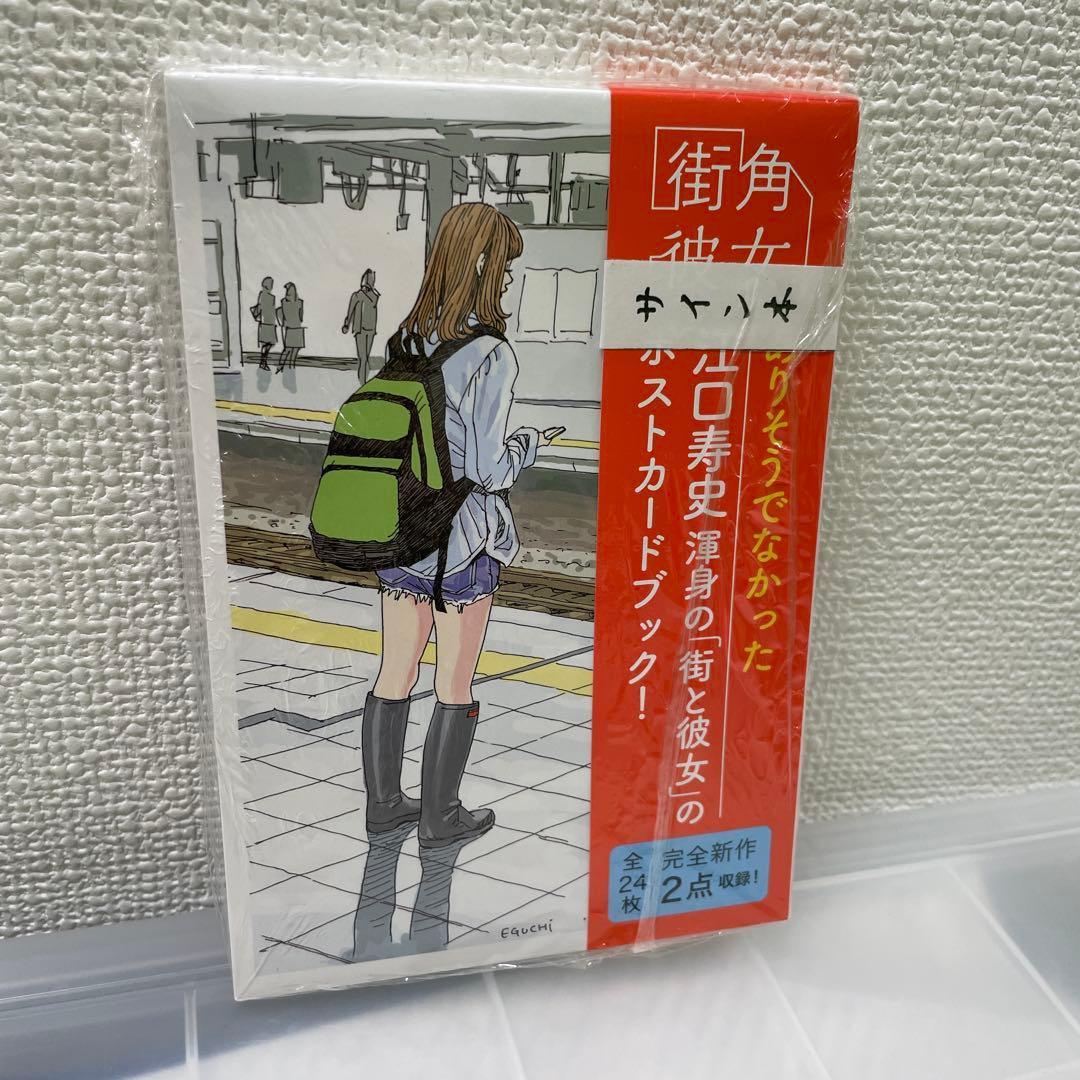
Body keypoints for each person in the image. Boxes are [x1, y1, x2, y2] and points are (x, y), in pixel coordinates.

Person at [360, 203, 563, 849]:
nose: (509, 277)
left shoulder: (408, 339)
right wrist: (528, 445)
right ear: (481, 265)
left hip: (404, 530)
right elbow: (486, 467)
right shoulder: (490, 354)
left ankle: (384, 806)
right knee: (453, 681)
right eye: (504, 264)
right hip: (462, 539)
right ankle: (440, 817)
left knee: (394, 672)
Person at [341, 268, 380, 382]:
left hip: (368, 330)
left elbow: (350, 313)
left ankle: (363, 382)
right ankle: (363, 382)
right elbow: (350, 312)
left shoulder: (371, 296)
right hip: (363, 330)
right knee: (364, 358)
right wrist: (346, 325)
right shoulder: (360, 296)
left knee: (364, 358)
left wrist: (346, 325)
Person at [275, 282, 305, 371]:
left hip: (289, 328)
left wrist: (283, 322)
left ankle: (280, 366)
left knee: (287, 349)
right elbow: (301, 318)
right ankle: (291, 366)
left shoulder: (283, 302)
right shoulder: (300, 302)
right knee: (295, 349)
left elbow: (280, 313)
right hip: (297, 327)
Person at [249, 277, 277, 369]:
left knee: (271, 343)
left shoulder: (272, 297)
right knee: (266, 343)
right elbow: (260, 307)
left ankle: (263, 361)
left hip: (271, 322)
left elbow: (271, 310)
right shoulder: (263, 294)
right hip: (265, 322)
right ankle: (263, 362)